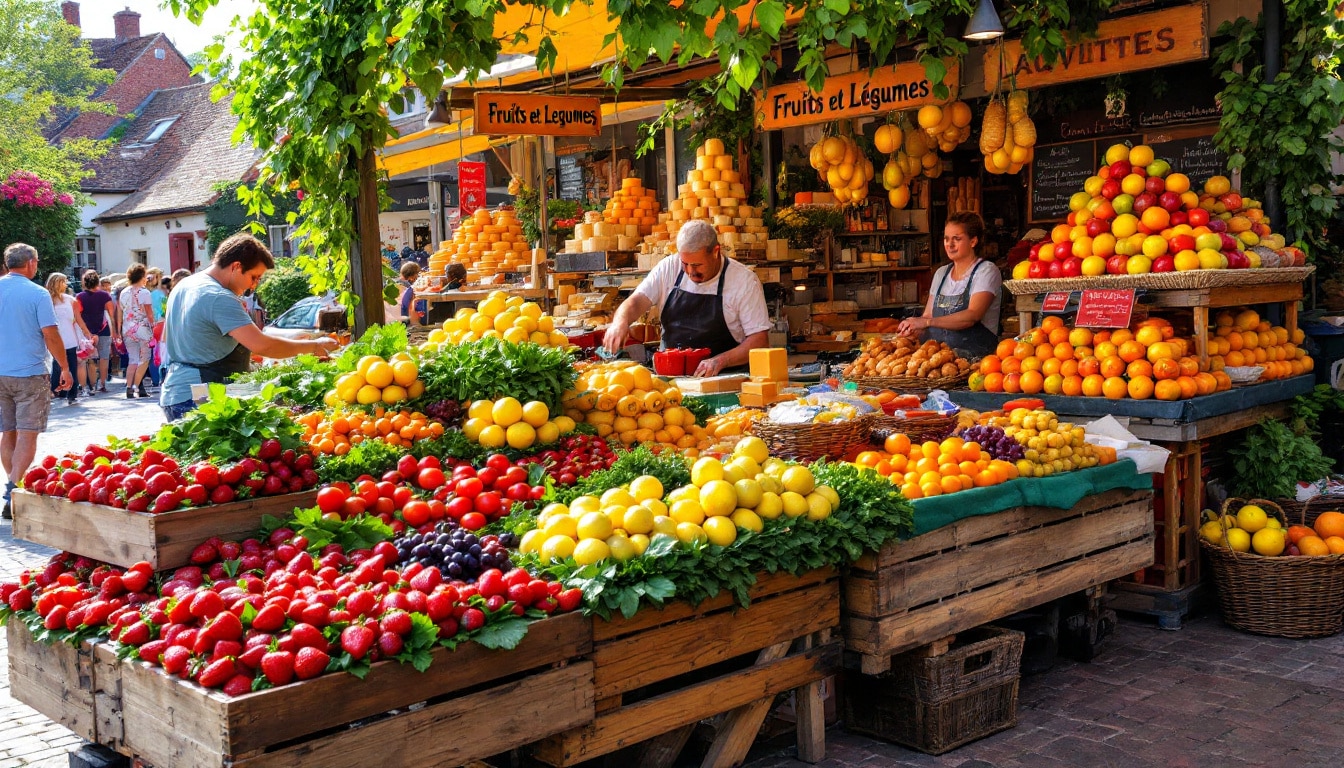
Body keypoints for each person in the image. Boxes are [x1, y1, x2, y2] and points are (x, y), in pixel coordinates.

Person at [159, 234, 338, 421]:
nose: (254, 286)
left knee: (275, 397)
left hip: (176, 392)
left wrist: (291, 344)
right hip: (200, 395)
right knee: (279, 407)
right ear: (236, 267)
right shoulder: (219, 296)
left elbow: (197, 342)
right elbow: (263, 346)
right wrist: (315, 346)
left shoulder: (186, 284)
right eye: (254, 277)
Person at [603, 219, 770, 376]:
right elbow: (637, 301)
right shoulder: (669, 267)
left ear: (715, 252)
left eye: (697, 265)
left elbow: (759, 340)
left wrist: (721, 360)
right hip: (672, 377)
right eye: (685, 264)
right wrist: (620, 322)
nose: (690, 271)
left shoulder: (744, 281)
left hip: (726, 378)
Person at [0, 244, 73, 519]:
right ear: (30, 263)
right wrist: (64, 367)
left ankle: (12, 488)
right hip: (29, 373)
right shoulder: (37, 293)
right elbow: (51, 334)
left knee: (8, 433)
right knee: (27, 434)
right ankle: (12, 491)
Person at [897, 211, 1003, 359]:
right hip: (939, 361)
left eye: (956, 239)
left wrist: (927, 322)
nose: (949, 244)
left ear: (973, 241)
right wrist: (913, 328)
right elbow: (928, 315)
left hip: (975, 362)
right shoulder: (941, 274)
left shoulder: (987, 271)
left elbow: (972, 315)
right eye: (946, 239)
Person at [46, 273, 93, 407]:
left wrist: (87, 333)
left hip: (70, 338)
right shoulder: (46, 300)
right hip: (54, 339)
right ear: (56, 283)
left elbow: (78, 320)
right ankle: (55, 390)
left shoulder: (71, 300)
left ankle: (72, 394)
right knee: (56, 366)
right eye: (63, 281)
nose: (66, 284)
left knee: (72, 366)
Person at [75, 270, 117, 395]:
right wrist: (114, 331)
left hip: (87, 332)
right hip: (103, 329)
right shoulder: (105, 296)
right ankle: (102, 384)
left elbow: (77, 315)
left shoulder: (79, 297)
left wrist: (85, 331)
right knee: (104, 358)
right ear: (97, 282)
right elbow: (111, 314)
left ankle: (91, 385)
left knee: (89, 359)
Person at [119, 264, 156, 399]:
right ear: (142, 276)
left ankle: (129, 388)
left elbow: (121, 311)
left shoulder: (124, 292)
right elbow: (149, 313)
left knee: (133, 359)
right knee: (145, 359)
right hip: (142, 329)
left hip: (127, 328)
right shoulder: (145, 292)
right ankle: (136, 385)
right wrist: (153, 326)